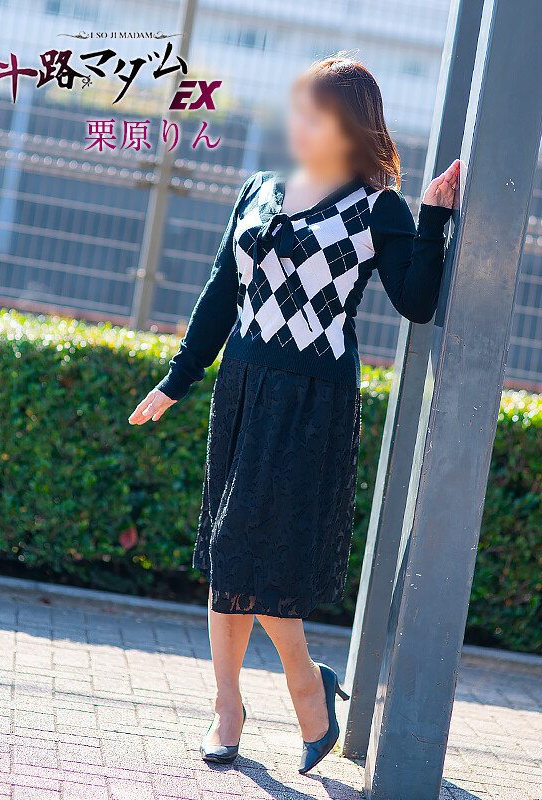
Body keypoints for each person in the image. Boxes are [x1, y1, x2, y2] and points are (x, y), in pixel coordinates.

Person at [129, 55, 458, 775]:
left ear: (349, 126)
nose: (298, 125)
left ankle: (306, 687)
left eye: (315, 115)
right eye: (297, 111)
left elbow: (416, 301)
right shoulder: (260, 189)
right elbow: (221, 294)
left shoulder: (378, 208)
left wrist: (433, 215)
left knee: (256, 550)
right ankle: (230, 708)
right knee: (230, 552)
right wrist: (178, 380)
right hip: (243, 388)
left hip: (313, 400)